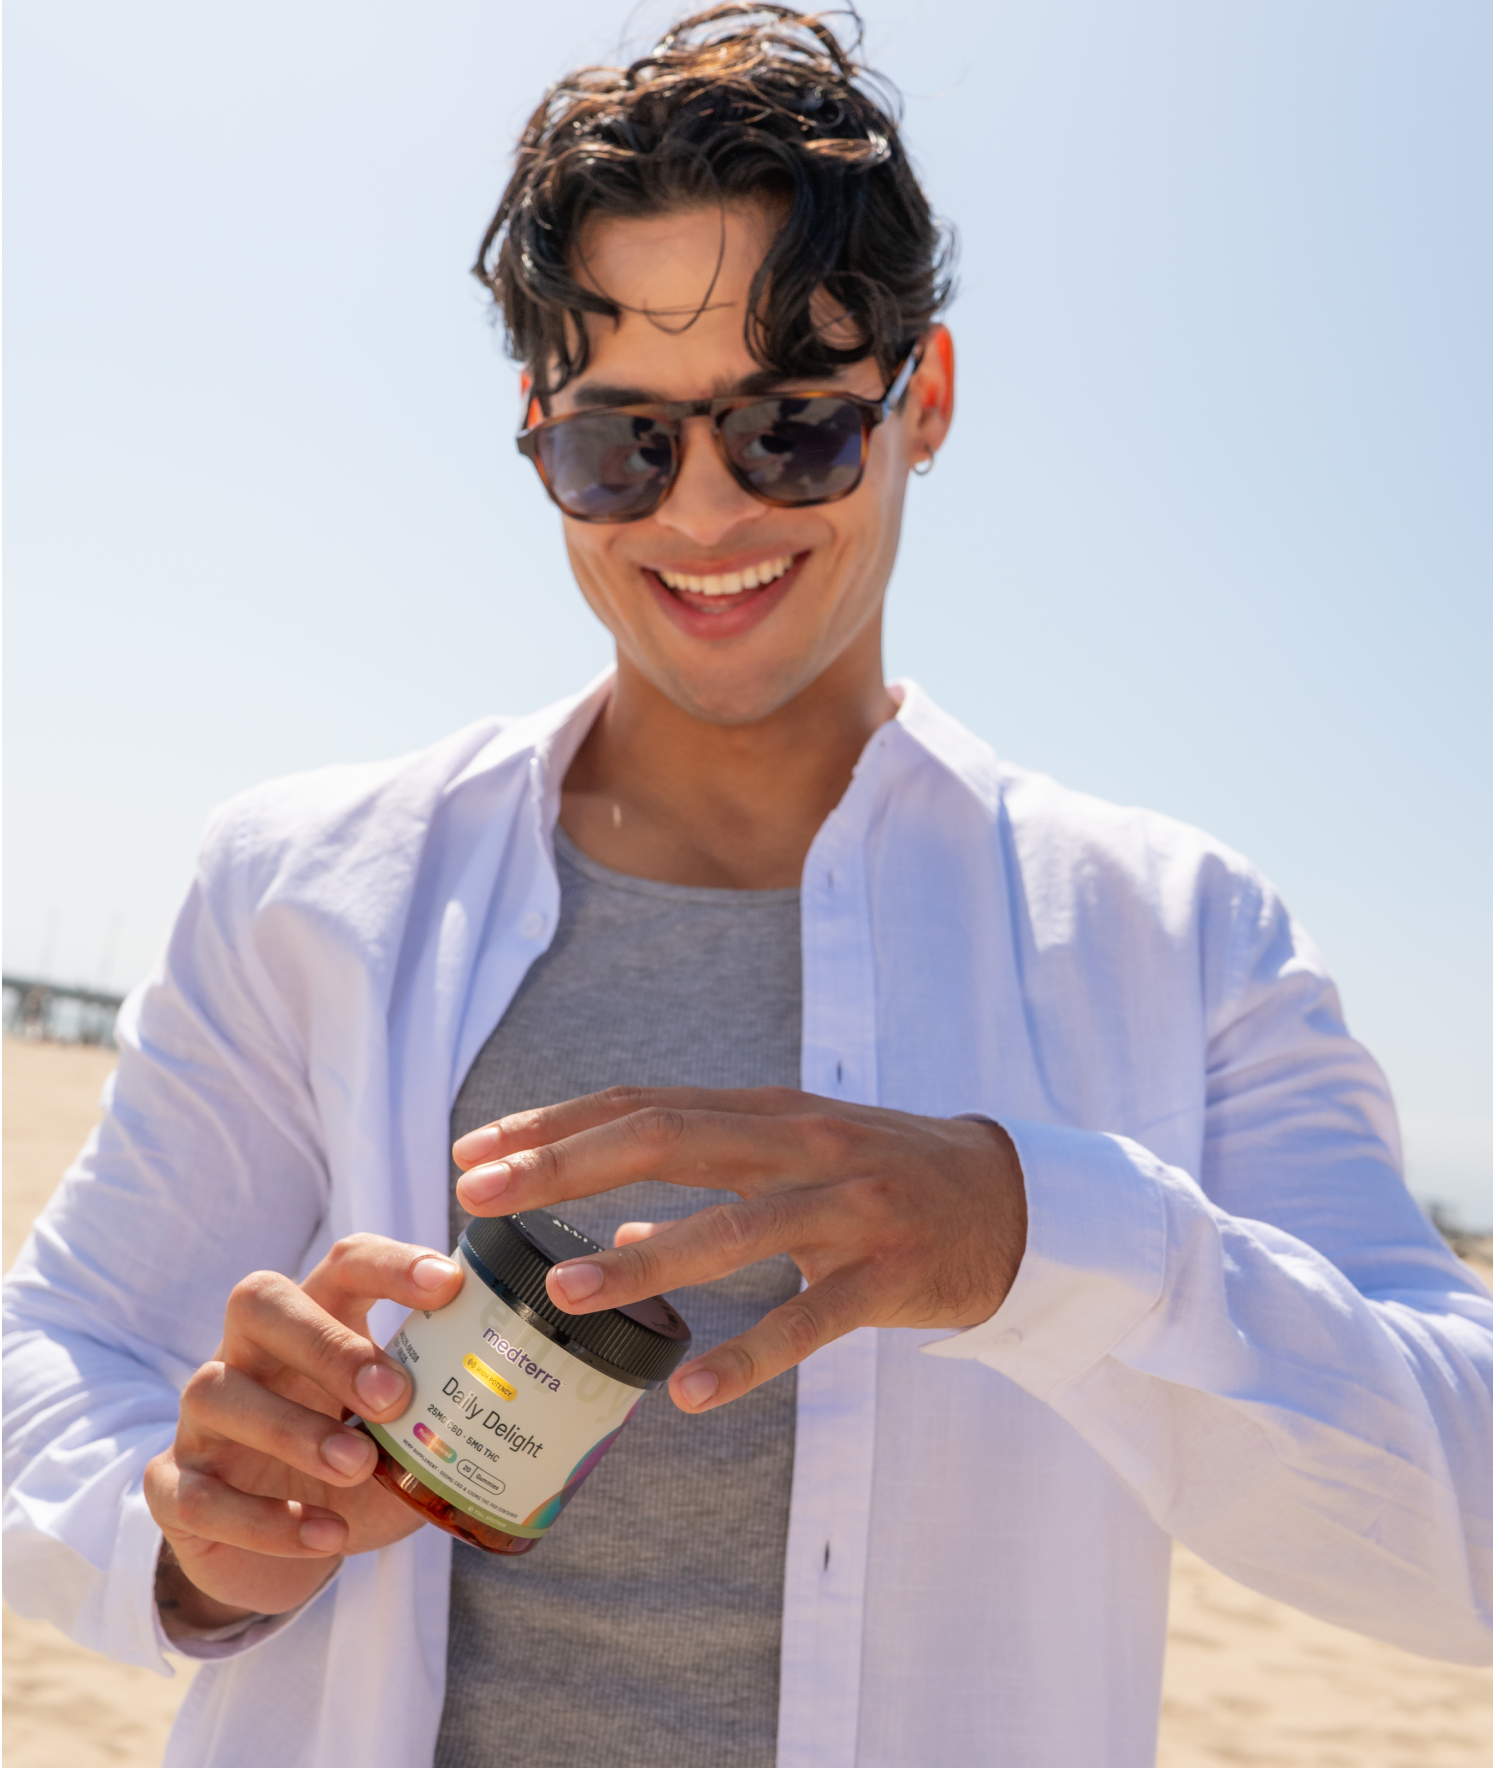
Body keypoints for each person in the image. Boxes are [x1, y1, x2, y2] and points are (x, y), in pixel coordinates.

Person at [3, 7, 1490, 1766]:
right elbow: (60, 1360)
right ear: (539, 433)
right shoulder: (303, 882)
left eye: (790, 428)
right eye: (622, 441)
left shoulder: (1183, 937)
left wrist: (1046, 1242)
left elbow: (1462, 1540)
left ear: (921, 401)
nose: (702, 517)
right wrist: (188, 1538)